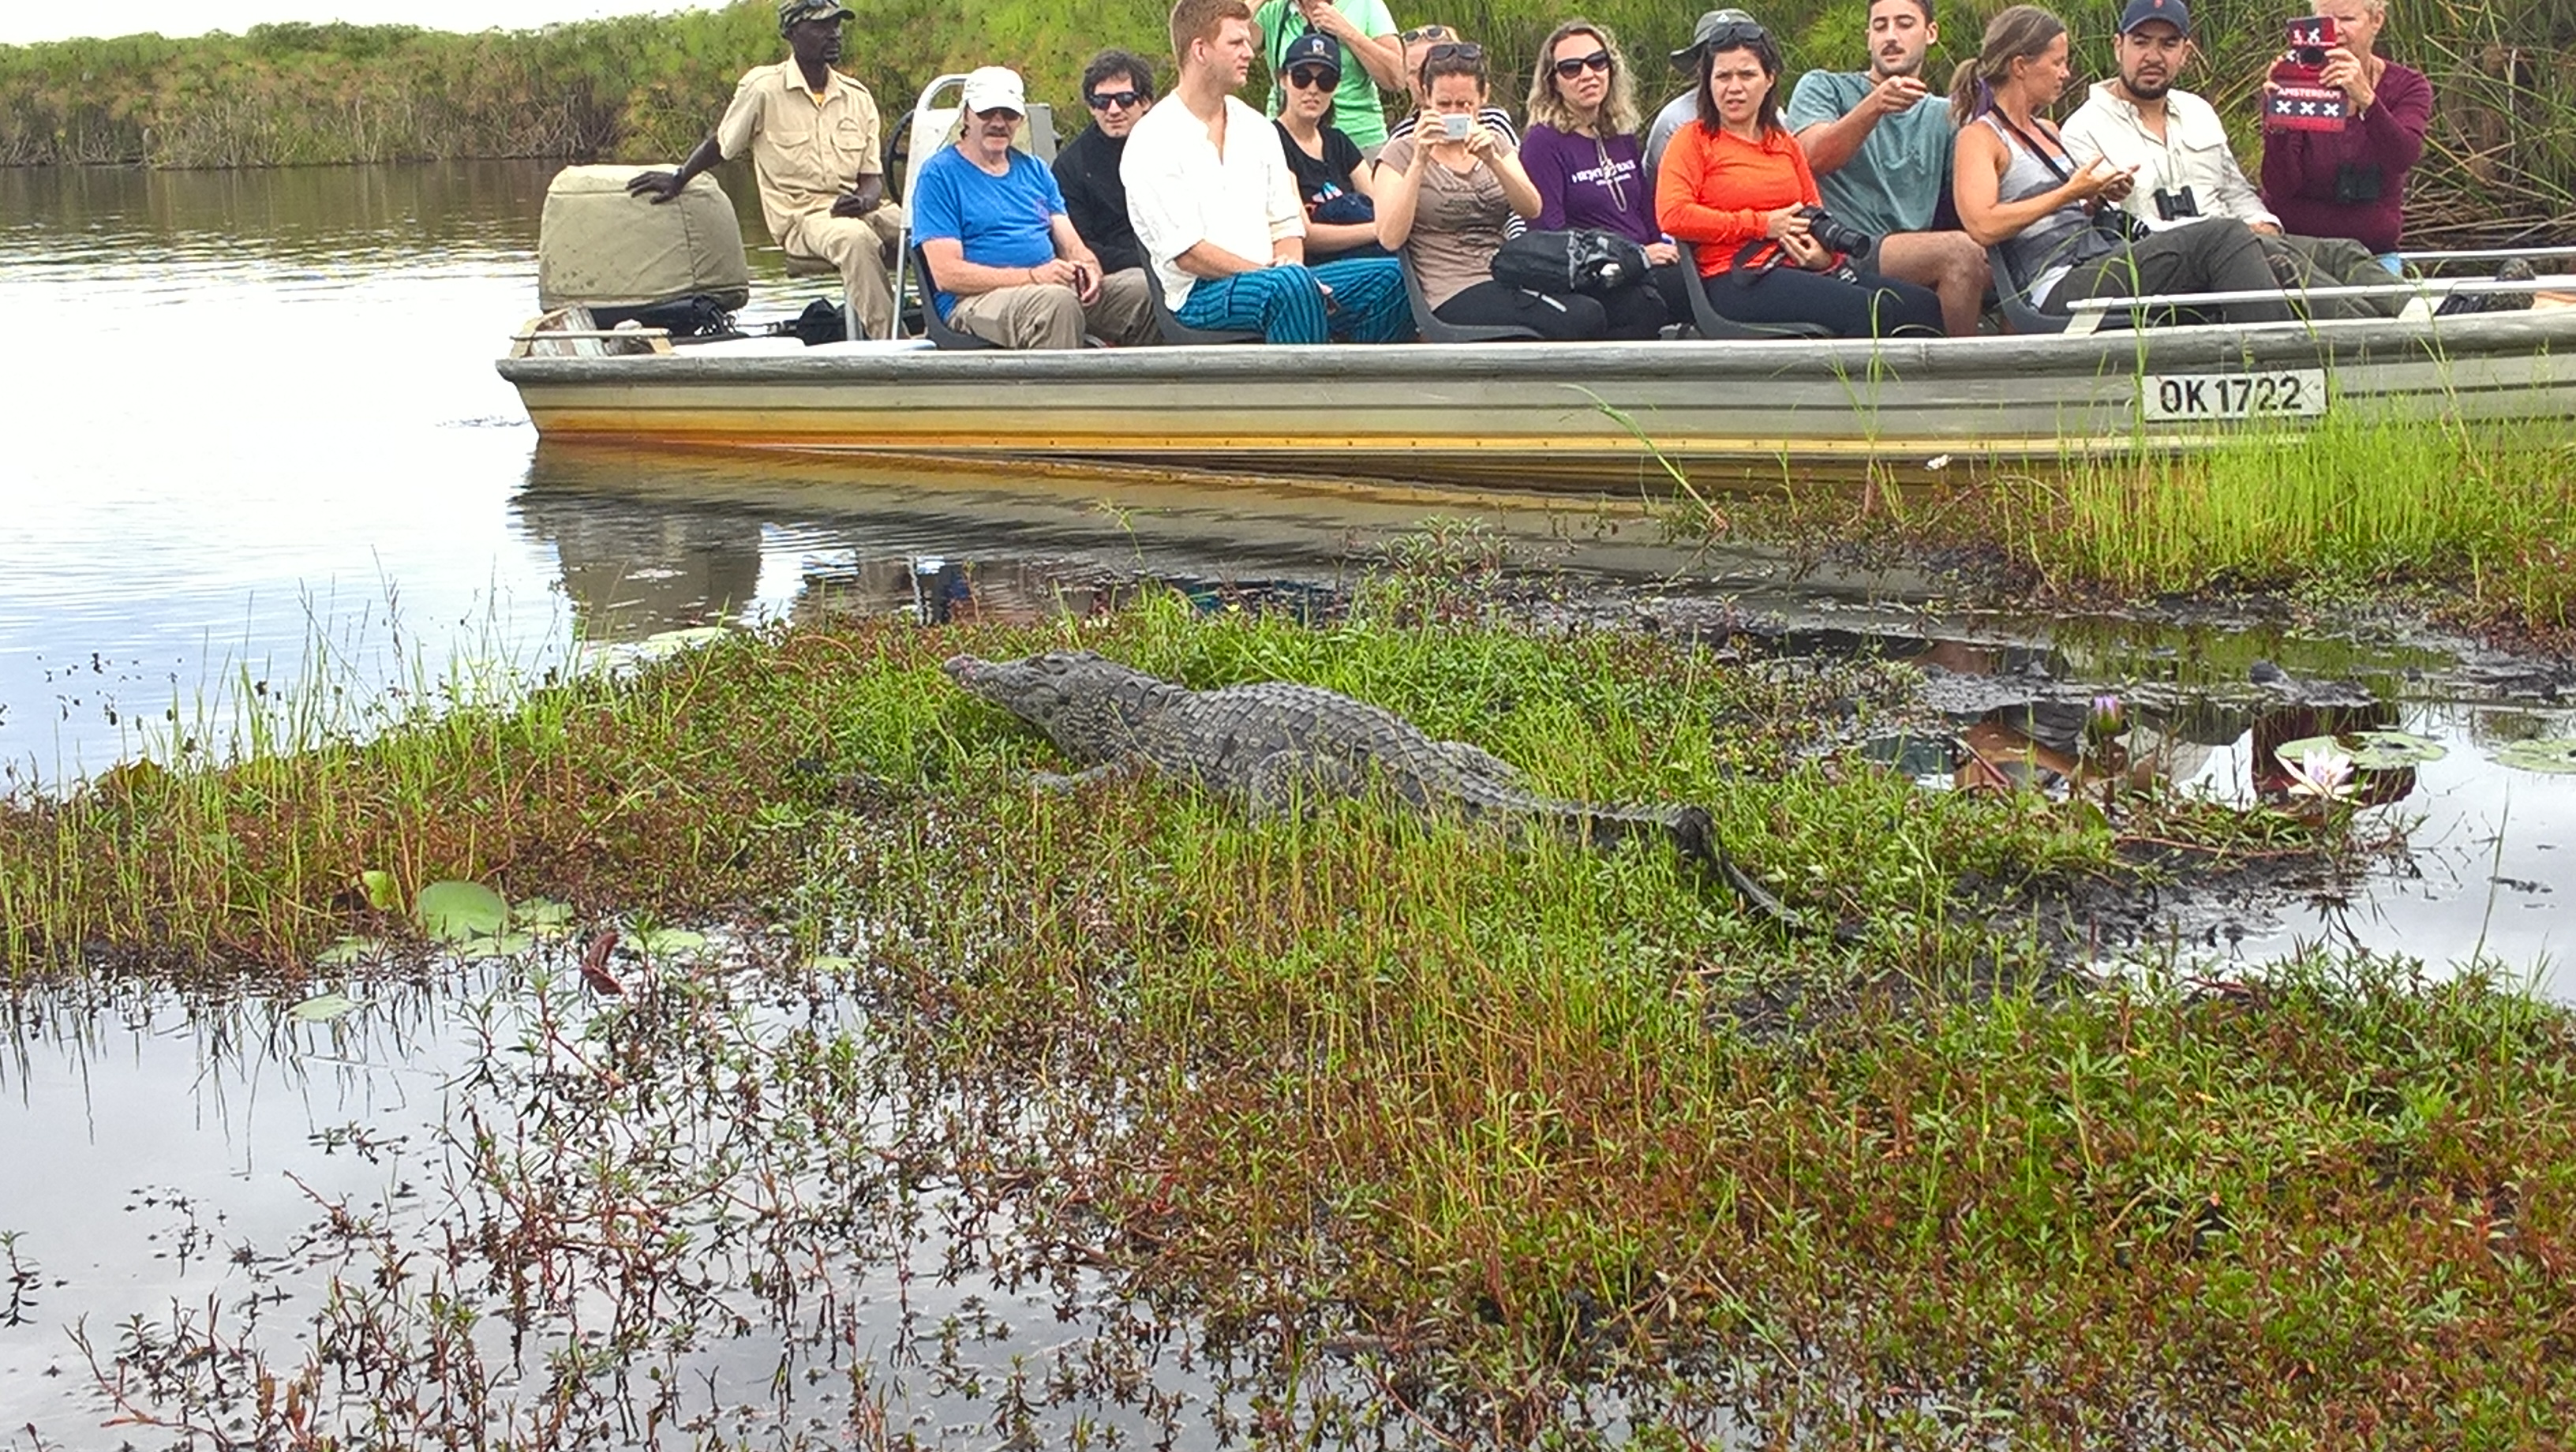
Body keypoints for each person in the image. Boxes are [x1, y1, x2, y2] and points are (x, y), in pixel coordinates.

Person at [1949, 5, 2292, 327]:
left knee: (2275, 256)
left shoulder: (2047, 131)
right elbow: (1983, 226)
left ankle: (2315, 350)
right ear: (2021, 66)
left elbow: (2071, 211)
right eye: (2058, 63)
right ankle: (2278, 358)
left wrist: (2097, 195)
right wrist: (2068, 192)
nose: (2066, 73)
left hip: (2099, 258)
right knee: (2220, 235)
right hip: (2058, 287)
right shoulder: (1980, 137)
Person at [2060, 0, 2394, 318]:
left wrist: (2261, 221)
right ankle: (2374, 339)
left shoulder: (2198, 111)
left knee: (2340, 252)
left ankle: (2420, 315)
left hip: (2238, 242)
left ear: (2185, 53)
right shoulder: (2082, 128)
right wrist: (2239, 235)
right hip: (2170, 257)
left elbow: (2234, 189)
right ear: (2118, 46)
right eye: (2141, 42)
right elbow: (2109, 223)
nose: (2153, 56)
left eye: (2168, 44)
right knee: (2273, 258)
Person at [1122, 0, 1411, 343]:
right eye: (1236, 43)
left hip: (1277, 278)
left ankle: (1353, 378)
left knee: (1394, 278)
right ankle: (1312, 378)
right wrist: (1277, 276)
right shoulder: (1153, 138)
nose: (1249, 52)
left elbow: (1287, 226)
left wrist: (1289, 268)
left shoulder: (1257, 127)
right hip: (1200, 293)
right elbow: (1188, 254)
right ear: (1200, 50)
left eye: (1248, 42)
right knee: (1290, 288)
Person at [1653, 12, 1945, 339]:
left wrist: (1824, 257)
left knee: (1921, 306)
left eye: (1747, 75)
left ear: (1769, 79)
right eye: (1723, 77)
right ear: (1709, 83)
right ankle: (1852, 376)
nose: (1734, 88)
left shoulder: (1784, 142)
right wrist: (1762, 224)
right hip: (1734, 276)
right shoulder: (1692, 140)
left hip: (1798, 265)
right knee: (1867, 310)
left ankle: (1917, 376)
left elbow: (1813, 211)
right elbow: (1673, 216)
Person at [627, 0, 902, 339]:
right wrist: (680, 178)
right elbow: (723, 143)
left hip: (860, 209)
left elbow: (871, 180)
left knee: (924, 226)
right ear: (791, 33)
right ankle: (893, 343)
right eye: (820, 26)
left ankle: (950, 326)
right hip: (803, 218)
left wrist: (863, 201)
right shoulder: (763, 89)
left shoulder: (857, 97)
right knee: (855, 239)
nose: (833, 34)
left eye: (836, 25)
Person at [1378, 39, 1655, 339]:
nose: (1454, 114)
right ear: (1426, 97)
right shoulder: (1401, 153)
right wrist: (1420, 161)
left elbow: (1531, 208)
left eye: (1465, 105)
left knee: (1638, 304)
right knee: (1581, 317)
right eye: (1444, 105)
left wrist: (1493, 161)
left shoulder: (1494, 142)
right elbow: (1390, 237)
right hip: (1451, 288)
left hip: (1511, 270)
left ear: (1483, 97)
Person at [1784, 0, 1991, 336]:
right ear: (1868, 37)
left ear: (1931, 33)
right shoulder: (1823, 86)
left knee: (2014, 255)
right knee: (1960, 254)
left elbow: (1971, 201)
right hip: (1839, 248)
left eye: (1904, 24)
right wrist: (1874, 106)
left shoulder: (1947, 115)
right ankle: (1959, 369)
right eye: (1880, 26)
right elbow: (1812, 158)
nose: (1891, 36)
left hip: (1912, 251)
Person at [912, 67, 1157, 349]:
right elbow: (947, 275)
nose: (998, 123)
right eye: (987, 113)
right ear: (966, 115)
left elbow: (1072, 245)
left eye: (1009, 114)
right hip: (973, 301)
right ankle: (1059, 380)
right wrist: (1032, 277)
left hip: (1050, 289)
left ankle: (1155, 377)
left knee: (1147, 290)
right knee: (1055, 303)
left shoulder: (1036, 170)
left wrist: (1088, 267)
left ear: (1020, 118)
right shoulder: (939, 175)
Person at [1516, 19, 1690, 329]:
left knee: (1701, 282)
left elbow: (1646, 210)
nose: (1588, 74)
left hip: (1646, 262)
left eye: (1597, 62)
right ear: (1553, 81)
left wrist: (1659, 252)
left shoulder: (1620, 134)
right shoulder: (1542, 143)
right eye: (1571, 68)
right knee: (1652, 302)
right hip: (1594, 273)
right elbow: (1550, 233)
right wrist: (1636, 256)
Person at [2257, 0, 2430, 267]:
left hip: (2372, 251)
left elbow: (2402, 157)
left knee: (2378, 289)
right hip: (2296, 247)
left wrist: (2366, 99)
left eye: (2348, 20)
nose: (2336, 31)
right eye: (2326, 22)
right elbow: (2280, 187)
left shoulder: (2407, 85)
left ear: (2376, 20)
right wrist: (2278, 125)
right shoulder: (2295, 81)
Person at [1272, 32, 1386, 261]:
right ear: (1284, 80)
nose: (1313, 89)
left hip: (1363, 255)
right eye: (1302, 78)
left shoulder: (1338, 141)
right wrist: (1380, 231)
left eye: (1326, 81)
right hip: (1314, 262)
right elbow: (1303, 233)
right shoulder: (1272, 140)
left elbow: (1382, 204)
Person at [1054, 49, 1159, 277]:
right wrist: (1154, 262)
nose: (1113, 110)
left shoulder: (1173, 148)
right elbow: (1081, 245)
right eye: (1102, 101)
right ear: (1091, 107)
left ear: (1145, 101)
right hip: (1118, 273)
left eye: (1125, 99)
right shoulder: (1071, 166)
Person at [1254, 0, 1404, 150]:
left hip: (1358, 139)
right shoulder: (1276, 9)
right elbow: (1241, 42)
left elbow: (1396, 79)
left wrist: (1346, 31)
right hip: (1286, 139)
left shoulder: (1365, 4)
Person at [1644, 9, 1747, 196]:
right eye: (1713, 55)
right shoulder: (1675, 121)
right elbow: (1655, 189)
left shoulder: (1776, 119)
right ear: (1699, 65)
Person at [1383, 25, 1518, 150]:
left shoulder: (1494, 123)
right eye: (1414, 72)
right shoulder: (1401, 136)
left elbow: (1519, 166)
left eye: (1433, 70)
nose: (1423, 78)